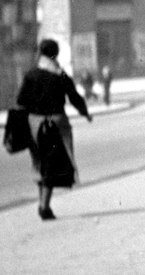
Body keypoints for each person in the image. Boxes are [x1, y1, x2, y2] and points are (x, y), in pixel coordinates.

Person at [15, 39, 92, 220]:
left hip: (34, 124)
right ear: (55, 54)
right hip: (56, 124)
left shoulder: (31, 74)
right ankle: (44, 207)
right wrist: (85, 113)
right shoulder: (60, 75)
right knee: (51, 165)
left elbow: (20, 100)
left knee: (41, 164)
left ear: (41, 54)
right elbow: (74, 97)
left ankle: (44, 204)